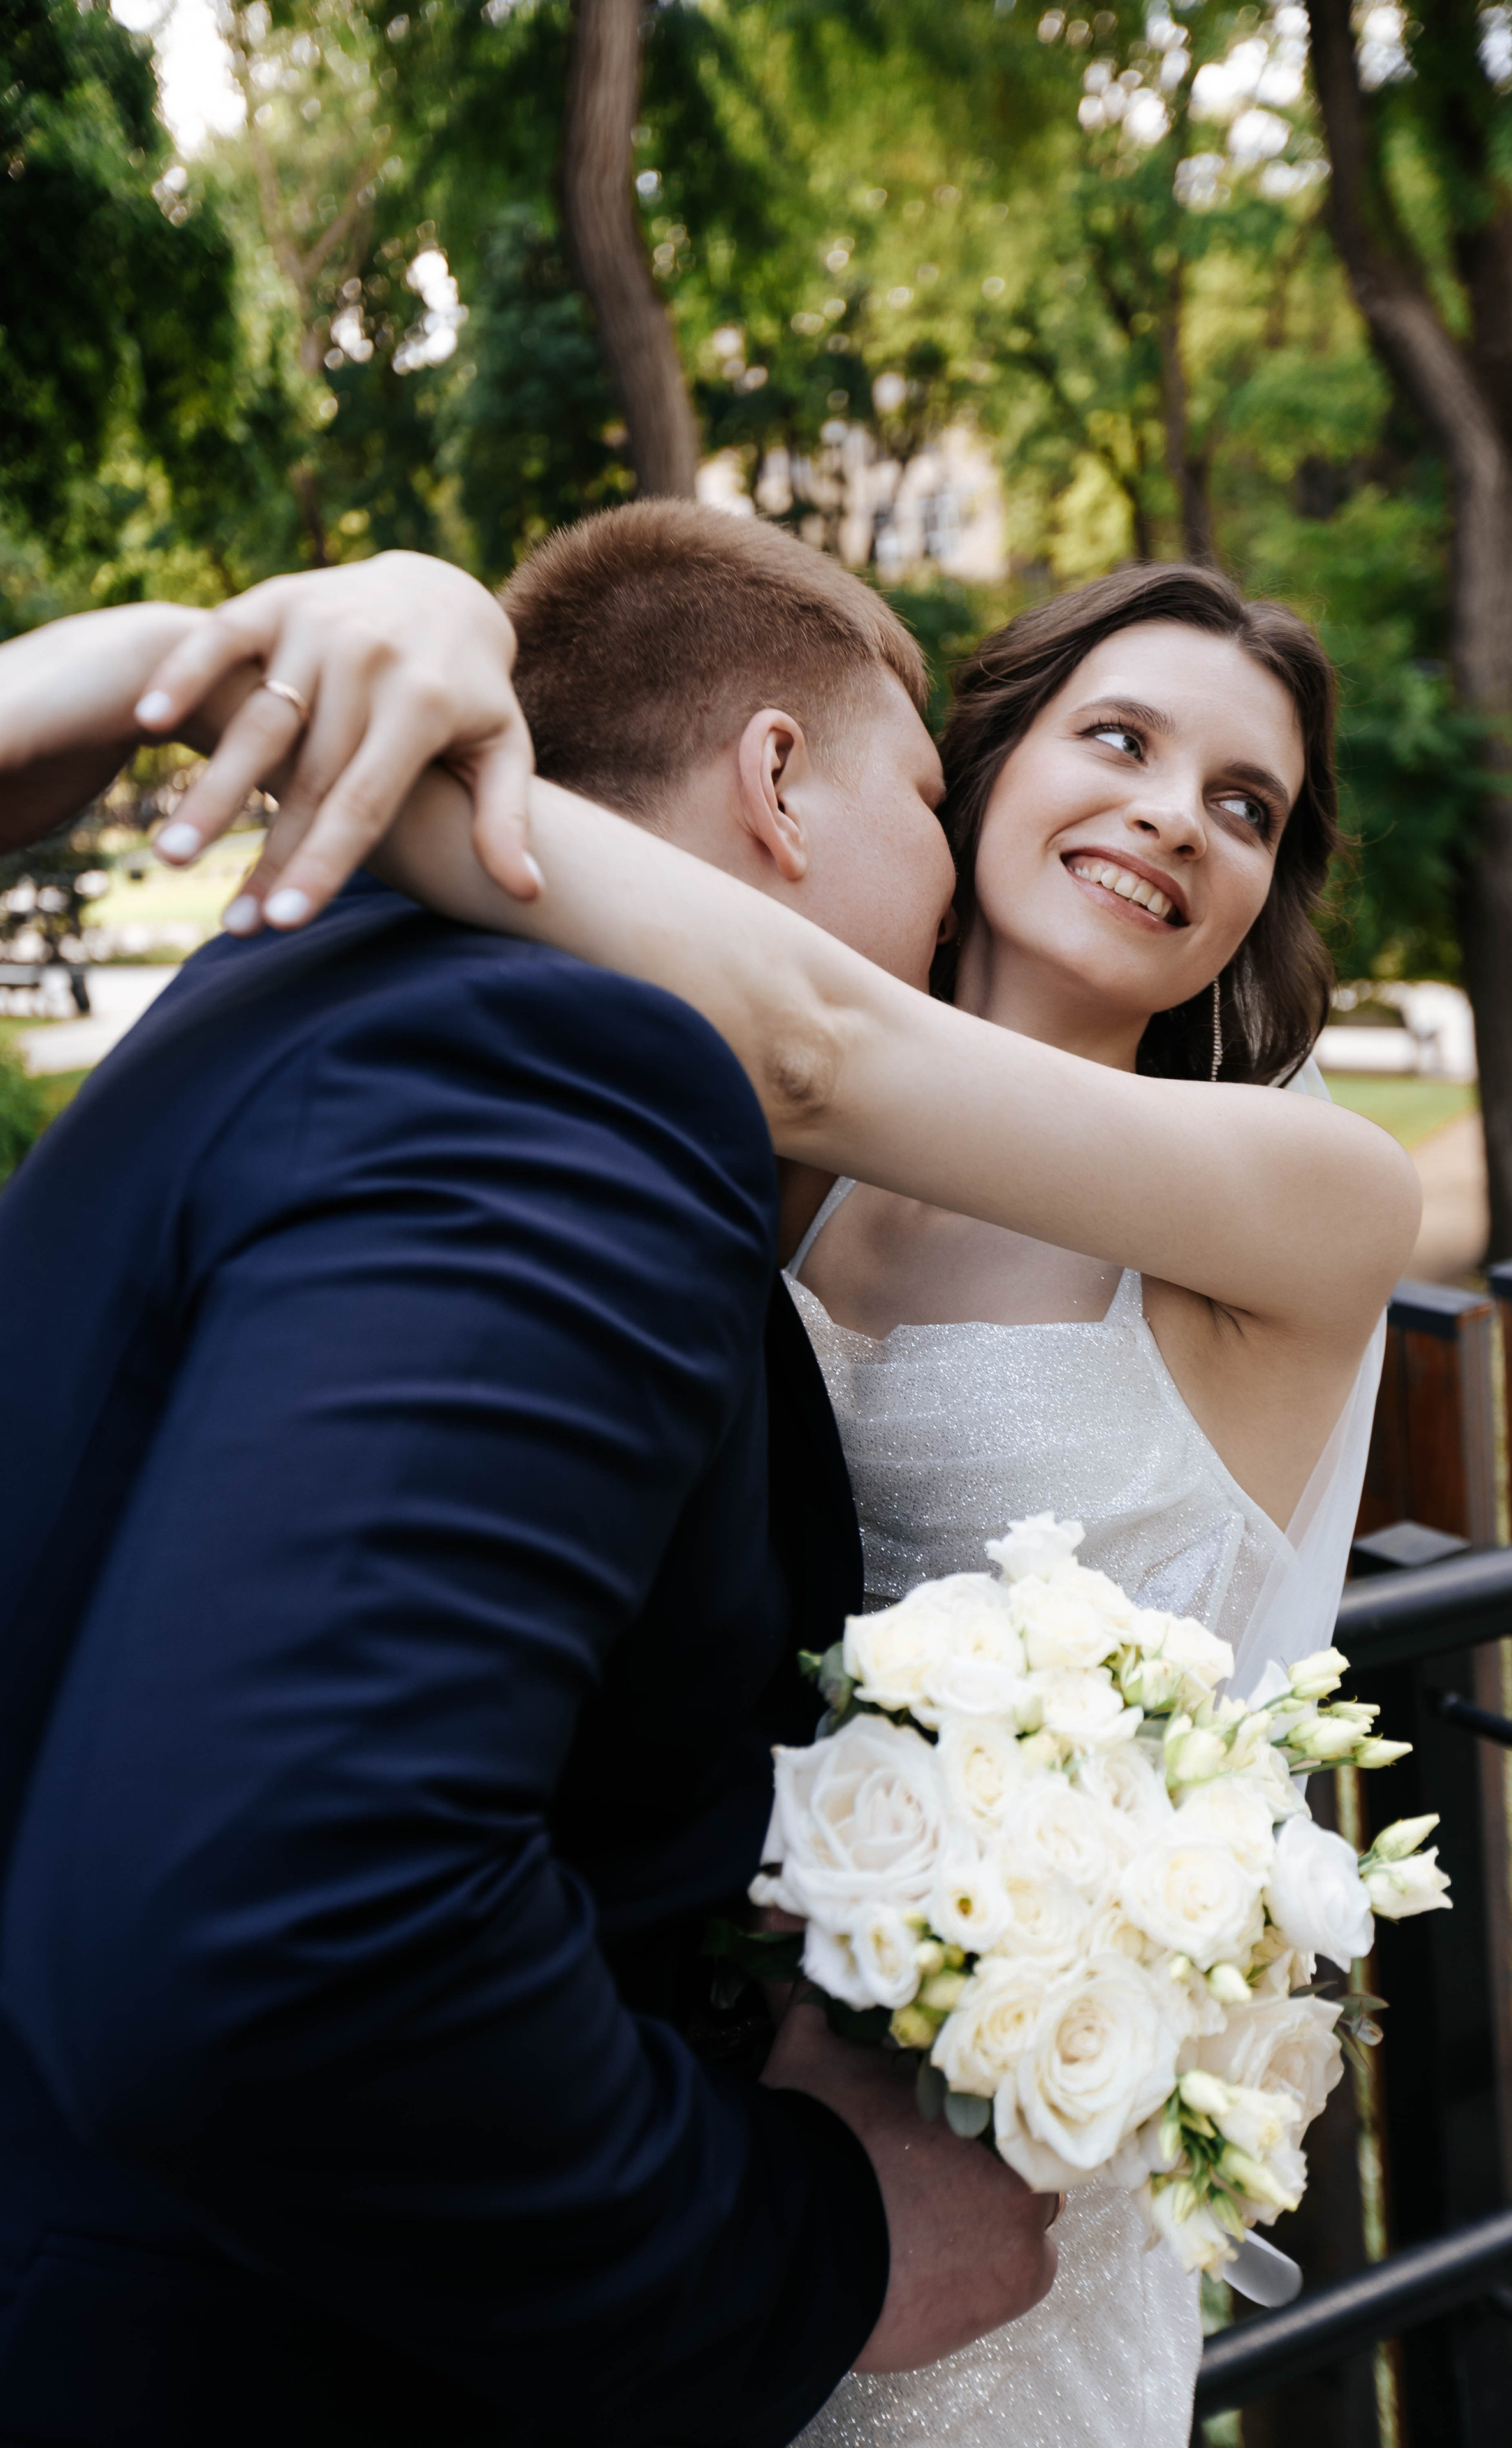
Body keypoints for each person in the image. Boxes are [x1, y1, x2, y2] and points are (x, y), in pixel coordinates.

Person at [0, 530, 1059, 2447]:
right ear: (776, 784)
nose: (949, 920)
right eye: (927, 801)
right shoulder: (579, 1066)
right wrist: (813, 2241)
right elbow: (281, 1931)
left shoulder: (295, 992)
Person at [363, 543, 1420, 2448]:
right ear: (987, 772)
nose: (1176, 817)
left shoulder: (1313, 1204)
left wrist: (393, 728)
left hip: (1002, 2166)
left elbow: (820, 1040)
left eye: (1245, 806)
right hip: (690, 2136)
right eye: (1121, 739)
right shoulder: (786, 1182)